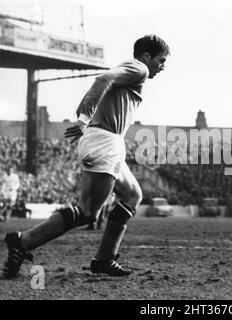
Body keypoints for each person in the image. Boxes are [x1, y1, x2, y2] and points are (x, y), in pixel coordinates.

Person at [2, 34, 170, 278]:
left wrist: (85, 121)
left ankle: (104, 259)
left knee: (133, 194)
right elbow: (103, 78)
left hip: (109, 141)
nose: (162, 66)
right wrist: (83, 120)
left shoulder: (133, 71)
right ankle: (22, 242)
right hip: (104, 140)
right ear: (146, 56)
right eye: (161, 60)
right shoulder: (140, 68)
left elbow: (105, 84)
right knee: (87, 212)